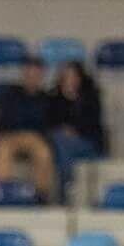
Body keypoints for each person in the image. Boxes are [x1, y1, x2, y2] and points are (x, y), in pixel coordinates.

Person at [0, 58, 55, 201]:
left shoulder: (47, 99)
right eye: (29, 74)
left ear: (41, 76)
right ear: (24, 74)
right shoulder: (10, 95)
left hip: (35, 138)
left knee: (44, 153)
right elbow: (2, 121)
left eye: (36, 74)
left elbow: (48, 124)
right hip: (11, 137)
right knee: (2, 150)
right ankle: (3, 194)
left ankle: (41, 197)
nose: (32, 77)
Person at [47, 61, 106, 205]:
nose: (70, 80)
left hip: (89, 143)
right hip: (63, 143)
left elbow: (94, 125)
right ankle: (66, 188)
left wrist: (75, 131)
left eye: (73, 76)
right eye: (66, 77)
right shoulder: (54, 98)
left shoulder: (91, 98)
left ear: (80, 78)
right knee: (61, 142)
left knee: (62, 144)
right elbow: (50, 122)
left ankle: (64, 191)